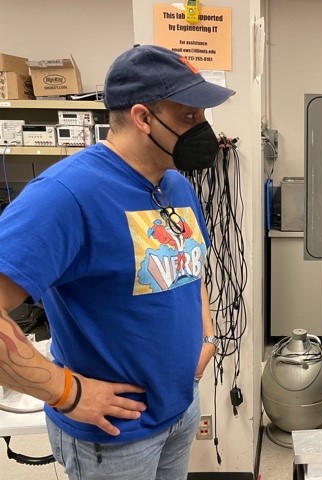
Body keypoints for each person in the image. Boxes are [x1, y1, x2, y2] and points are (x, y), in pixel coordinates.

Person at [0, 44, 234, 479]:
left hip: (179, 409)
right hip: (113, 435)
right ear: (144, 118)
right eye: (189, 117)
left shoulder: (176, 185)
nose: (204, 131)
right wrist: (66, 392)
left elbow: (190, 266)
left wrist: (205, 335)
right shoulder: (66, 195)